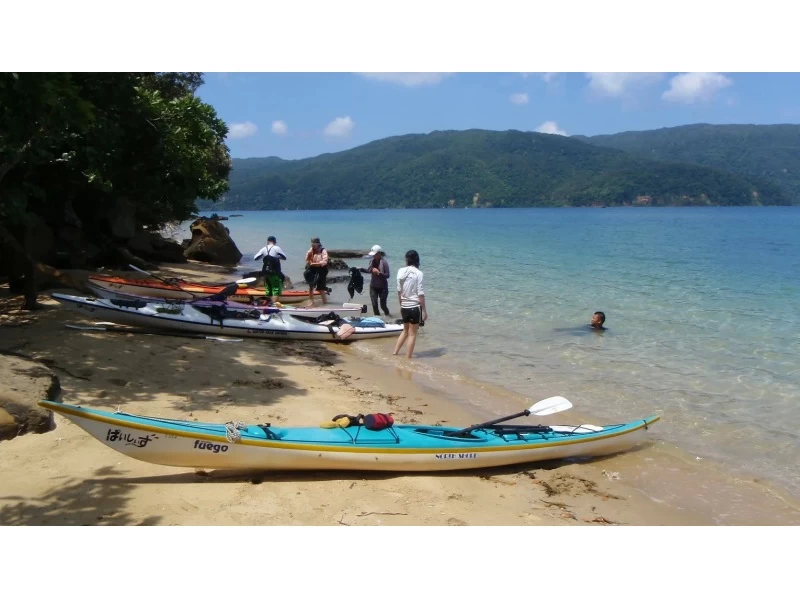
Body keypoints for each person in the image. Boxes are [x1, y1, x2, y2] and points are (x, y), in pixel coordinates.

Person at [392, 249, 427, 358]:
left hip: (404, 306)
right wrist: (425, 311)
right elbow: (420, 295)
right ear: (417, 260)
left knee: (405, 331)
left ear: (406, 260)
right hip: (414, 307)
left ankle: (395, 352)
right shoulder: (419, 273)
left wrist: (401, 305)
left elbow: (399, 291)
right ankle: (408, 359)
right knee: (412, 334)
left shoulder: (400, 271)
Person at [253, 236, 287, 304]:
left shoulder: (263, 249)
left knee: (268, 289)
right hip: (274, 272)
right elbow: (284, 257)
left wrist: (264, 255)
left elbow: (255, 258)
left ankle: (267, 304)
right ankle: (273, 306)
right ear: (275, 242)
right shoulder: (276, 248)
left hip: (265, 272)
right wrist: (277, 256)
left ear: (268, 241)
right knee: (276, 289)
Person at [360, 244, 391, 316]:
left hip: (383, 287)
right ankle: (377, 319)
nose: (373, 256)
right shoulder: (372, 261)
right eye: (373, 255)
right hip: (373, 286)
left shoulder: (384, 262)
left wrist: (379, 273)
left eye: (375, 254)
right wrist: (360, 269)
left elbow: (387, 275)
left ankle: (388, 317)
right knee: (374, 305)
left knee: (383, 306)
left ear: (379, 254)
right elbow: (369, 271)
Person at [304, 237, 329, 305]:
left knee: (321, 288)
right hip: (312, 269)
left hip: (321, 269)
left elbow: (324, 262)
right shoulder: (311, 250)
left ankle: (325, 303)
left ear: (318, 244)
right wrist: (309, 255)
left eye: (314, 244)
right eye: (312, 244)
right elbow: (307, 260)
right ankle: (311, 302)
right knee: (311, 286)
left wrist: (315, 264)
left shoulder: (323, 251)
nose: (313, 246)